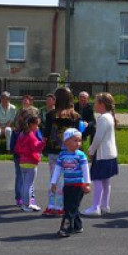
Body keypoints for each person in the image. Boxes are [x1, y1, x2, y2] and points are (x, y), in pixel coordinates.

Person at [42, 87, 80, 216]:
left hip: (53, 151)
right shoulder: (75, 116)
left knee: (54, 178)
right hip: (69, 152)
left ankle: (51, 205)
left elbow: (45, 134)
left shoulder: (50, 115)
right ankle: (61, 206)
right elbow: (79, 135)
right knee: (65, 180)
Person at [48, 128, 91, 238]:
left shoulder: (81, 155)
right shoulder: (62, 155)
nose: (78, 143)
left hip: (78, 186)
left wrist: (87, 183)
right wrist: (53, 182)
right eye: (75, 140)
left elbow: (86, 170)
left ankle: (66, 228)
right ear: (66, 142)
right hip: (67, 185)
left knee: (69, 208)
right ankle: (77, 226)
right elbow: (57, 169)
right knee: (72, 206)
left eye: (80, 141)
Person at [83, 92, 119, 216]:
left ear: (102, 104)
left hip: (103, 154)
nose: (94, 105)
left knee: (97, 179)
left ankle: (95, 207)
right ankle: (104, 205)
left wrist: (91, 151)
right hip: (110, 154)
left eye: (96, 102)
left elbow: (98, 138)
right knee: (105, 180)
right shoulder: (109, 116)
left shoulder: (103, 118)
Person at [14, 109, 44, 212]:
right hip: (31, 162)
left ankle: (27, 203)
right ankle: (27, 204)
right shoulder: (31, 135)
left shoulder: (22, 134)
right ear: (32, 125)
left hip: (22, 162)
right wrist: (43, 143)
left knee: (25, 184)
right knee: (29, 184)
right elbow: (36, 147)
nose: (37, 127)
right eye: (37, 125)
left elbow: (17, 148)